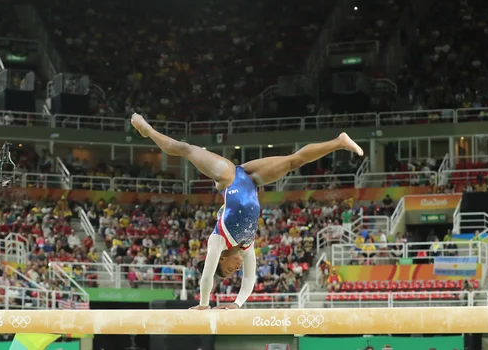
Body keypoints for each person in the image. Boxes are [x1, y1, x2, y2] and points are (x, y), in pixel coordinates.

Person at [130, 113, 363, 309]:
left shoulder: (217, 241)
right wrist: (238, 303)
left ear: (222, 258)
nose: (236, 269)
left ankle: (148, 130)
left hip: (228, 177)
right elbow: (250, 279)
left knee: (186, 149)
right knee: (294, 162)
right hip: (252, 181)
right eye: (234, 272)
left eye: (230, 269)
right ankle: (339, 142)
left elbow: (207, 275)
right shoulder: (247, 246)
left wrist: (203, 304)